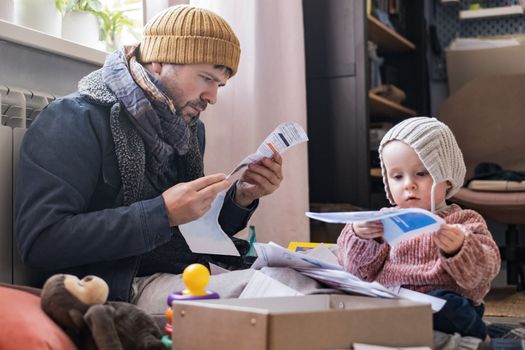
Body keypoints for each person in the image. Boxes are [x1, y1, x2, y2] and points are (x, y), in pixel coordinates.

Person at [14, 5, 283, 304]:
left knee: (297, 280)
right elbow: (42, 242)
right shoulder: (74, 119)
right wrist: (162, 213)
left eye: (219, 84)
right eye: (206, 78)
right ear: (159, 60)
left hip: (182, 273)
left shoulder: (188, 129)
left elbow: (192, 234)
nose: (213, 97)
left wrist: (241, 197)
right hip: (110, 285)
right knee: (276, 292)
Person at [336, 117, 500, 340]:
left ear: (447, 178)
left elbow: (484, 272)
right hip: (391, 301)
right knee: (344, 301)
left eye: (421, 173)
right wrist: (360, 236)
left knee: (452, 309)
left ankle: (480, 338)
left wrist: (460, 248)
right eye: (397, 176)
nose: (408, 184)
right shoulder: (382, 220)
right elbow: (356, 272)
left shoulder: (464, 219)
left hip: (440, 302)